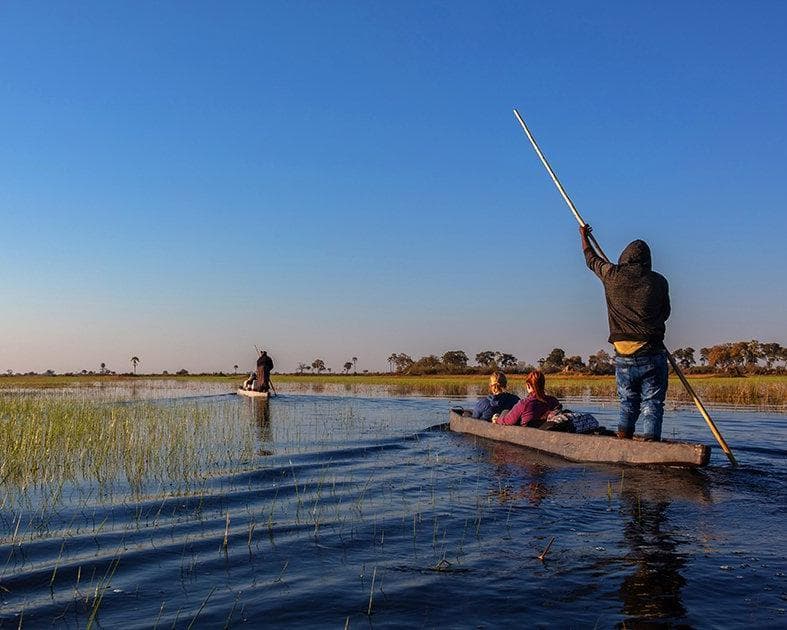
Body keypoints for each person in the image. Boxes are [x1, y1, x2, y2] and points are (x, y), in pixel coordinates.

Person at [580, 224, 671, 441]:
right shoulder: (658, 281)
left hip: (623, 354)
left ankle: (624, 440)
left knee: (628, 401)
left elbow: (591, 260)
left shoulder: (612, 275)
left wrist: (584, 237)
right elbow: (665, 313)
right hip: (652, 351)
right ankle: (650, 443)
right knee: (653, 402)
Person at [495, 370, 561, 426]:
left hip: (529, 435)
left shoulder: (524, 404)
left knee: (505, 411)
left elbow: (507, 421)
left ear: (528, 386)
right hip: (547, 431)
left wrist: (497, 419)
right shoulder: (554, 401)